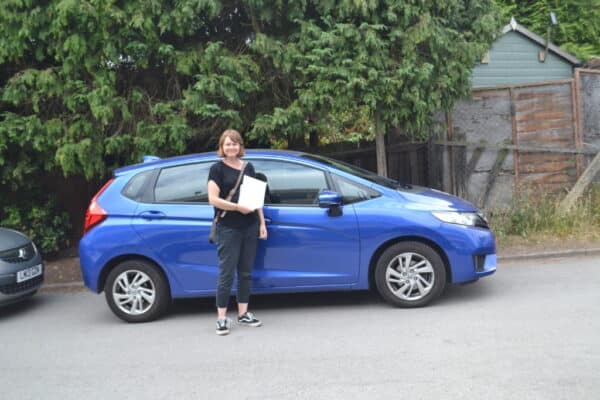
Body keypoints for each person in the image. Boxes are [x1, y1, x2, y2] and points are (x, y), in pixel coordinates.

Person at [207, 129, 267, 336]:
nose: (231, 147)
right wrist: (236, 208)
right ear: (222, 147)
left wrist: (261, 223)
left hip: (249, 226)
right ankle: (221, 318)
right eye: (227, 144)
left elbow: (255, 197)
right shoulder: (216, 169)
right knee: (225, 274)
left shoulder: (248, 167)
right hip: (228, 227)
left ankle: (243, 314)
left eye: (234, 144)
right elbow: (213, 199)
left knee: (245, 272)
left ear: (240, 146)